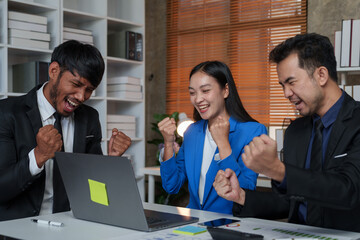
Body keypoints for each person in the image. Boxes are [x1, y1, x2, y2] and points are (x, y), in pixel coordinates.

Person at [214, 33, 360, 232]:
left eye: (292, 82)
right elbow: (289, 202)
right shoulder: (295, 131)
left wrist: (278, 170)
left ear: (321, 75)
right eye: (282, 85)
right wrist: (241, 196)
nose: (286, 94)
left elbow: (349, 191)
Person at [0, 40, 132, 221]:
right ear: (54, 71)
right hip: (18, 228)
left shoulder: (90, 118)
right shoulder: (6, 113)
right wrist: (38, 156)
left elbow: (94, 190)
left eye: (89, 90)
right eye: (76, 84)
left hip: (71, 224)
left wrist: (111, 161)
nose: (81, 97)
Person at [158, 61, 267, 214]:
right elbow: (172, 186)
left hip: (231, 225)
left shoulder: (253, 131)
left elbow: (246, 190)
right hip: (195, 225)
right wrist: (168, 144)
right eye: (192, 92)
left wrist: (223, 144)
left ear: (225, 91)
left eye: (205, 90)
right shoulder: (192, 132)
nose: (197, 99)